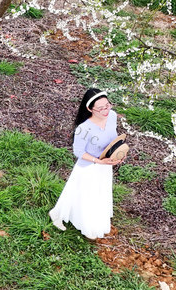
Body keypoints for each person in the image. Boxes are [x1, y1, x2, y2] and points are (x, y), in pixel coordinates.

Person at [49, 88, 125, 239]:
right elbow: (78, 152)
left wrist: (118, 154)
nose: (106, 110)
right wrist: (98, 161)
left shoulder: (112, 116)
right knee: (86, 196)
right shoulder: (84, 129)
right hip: (89, 167)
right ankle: (78, 221)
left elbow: (113, 139)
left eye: (107, 105)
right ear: (90, 109)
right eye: (101, 108)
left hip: (105, 165)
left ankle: (94, 219)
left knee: (100, 194)